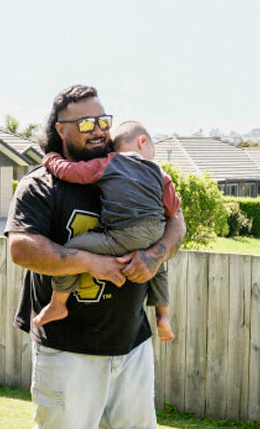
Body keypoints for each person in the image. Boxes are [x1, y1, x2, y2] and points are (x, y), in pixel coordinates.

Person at [4, 85, 185, 429]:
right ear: (59, 130)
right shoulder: (43, 184)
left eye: (104, 120)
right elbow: (21, 249)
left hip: (130, 334)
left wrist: (153, 257)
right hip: (69, 340)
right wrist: (91, 262)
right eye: (86, 124)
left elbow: (176, 222)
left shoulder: (136, 168)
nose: (99, 130)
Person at [32, 120, 180, 343]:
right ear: (142, 142)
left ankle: (58, 304)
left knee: (72, 248)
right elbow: (173, 208)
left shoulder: (109, 163)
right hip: (156, 232)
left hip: (122, 235)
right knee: (158, 265)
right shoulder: (159, 171)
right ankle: (163, 316)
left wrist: (51, 159)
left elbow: (72, 172)